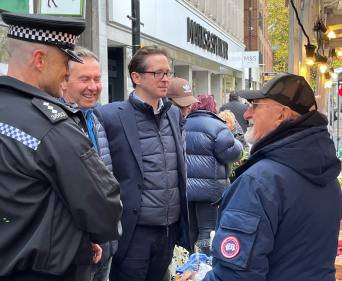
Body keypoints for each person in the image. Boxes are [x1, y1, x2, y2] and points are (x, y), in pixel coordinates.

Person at [0, 12, 122, 281]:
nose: (66, 71)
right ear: (39, 59)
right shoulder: (52, 127)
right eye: (65, 62)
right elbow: (104, 210)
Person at [203, 73, 342, 281]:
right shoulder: (327, 174)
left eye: (256, 105)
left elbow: (234, 276)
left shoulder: (260, 181)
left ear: (282, 114)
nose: (248, 113)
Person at [93, 45, 191, 281]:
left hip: (169, 229)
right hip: (133, 230)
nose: (165, 79)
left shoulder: (175, 114)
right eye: (157, 73)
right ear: (136, 77)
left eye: (167, 73)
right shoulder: (109, 116)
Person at [61, 46, 116, 281]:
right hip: (74, 252)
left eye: (97, 79)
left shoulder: (95, 120)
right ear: (63, 81)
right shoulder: (54, 126)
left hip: (104, 247)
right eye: (84, 79)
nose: (93, 86)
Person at [185, 94, 243, 252]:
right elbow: (231, 154)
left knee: (191, 229)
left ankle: (190, 264)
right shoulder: (217, 126)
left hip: (184, 188)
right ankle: (203, 268)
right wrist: (236, 141)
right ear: (213, 107)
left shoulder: (182, 123)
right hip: (210, 189)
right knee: (208, 229)